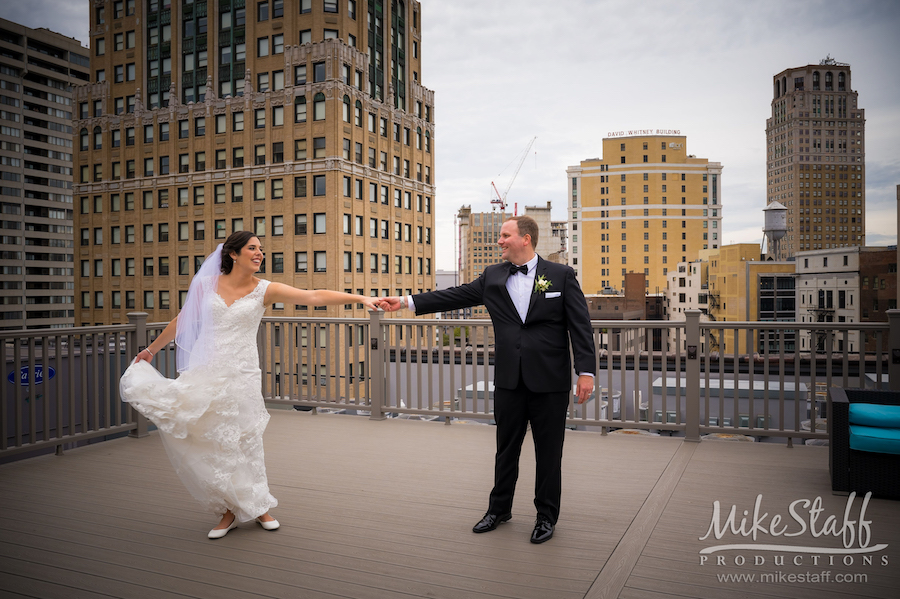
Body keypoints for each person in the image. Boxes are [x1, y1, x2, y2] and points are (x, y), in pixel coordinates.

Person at [120, 231, 382, 539]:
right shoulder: (206, 285)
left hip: (242, 374)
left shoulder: (264, 289)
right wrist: (151, 350)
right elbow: (182, 320)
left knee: (246, 439)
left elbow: (313, 296)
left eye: (261, 249)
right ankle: (228, 510)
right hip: (207, 372)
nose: (260, 253)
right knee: (217, 441)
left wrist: (361, 298)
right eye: (252, 248)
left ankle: (259, 508)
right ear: (233, 254)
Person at [381, 216, 596, 544]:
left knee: (549, 453)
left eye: (505, 236)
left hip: (550, 381)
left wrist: (586, 372)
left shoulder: (561, 275)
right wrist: (408, 302)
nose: (500, 241)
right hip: (510, 379)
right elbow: (455, 295)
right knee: (505, 449)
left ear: (525, 239)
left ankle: (545, 517)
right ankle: (499, 510)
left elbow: (580, 325)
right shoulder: (493, 275)